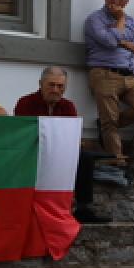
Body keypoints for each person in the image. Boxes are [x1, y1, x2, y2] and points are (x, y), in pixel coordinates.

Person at [13, 67, 109, 224]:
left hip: (60, 152)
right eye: (51, 85)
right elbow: (23, 135)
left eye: (60, 86)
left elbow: (72, 136)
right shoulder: (26, 103)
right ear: (41, 84)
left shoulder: (68, 106)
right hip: (33, 151)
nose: (55, 90)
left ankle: (83, 208)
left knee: (85, 157)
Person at [84, 0, 134, 168]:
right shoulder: (95, 19)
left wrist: (127, 43)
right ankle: (116, 160)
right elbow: (108, 41)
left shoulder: (133, 22)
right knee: (110, 122)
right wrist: (121, 21)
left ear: (127, 1)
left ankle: (107, 124)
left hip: (130, 76)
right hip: (104, 73)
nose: (115, 1)